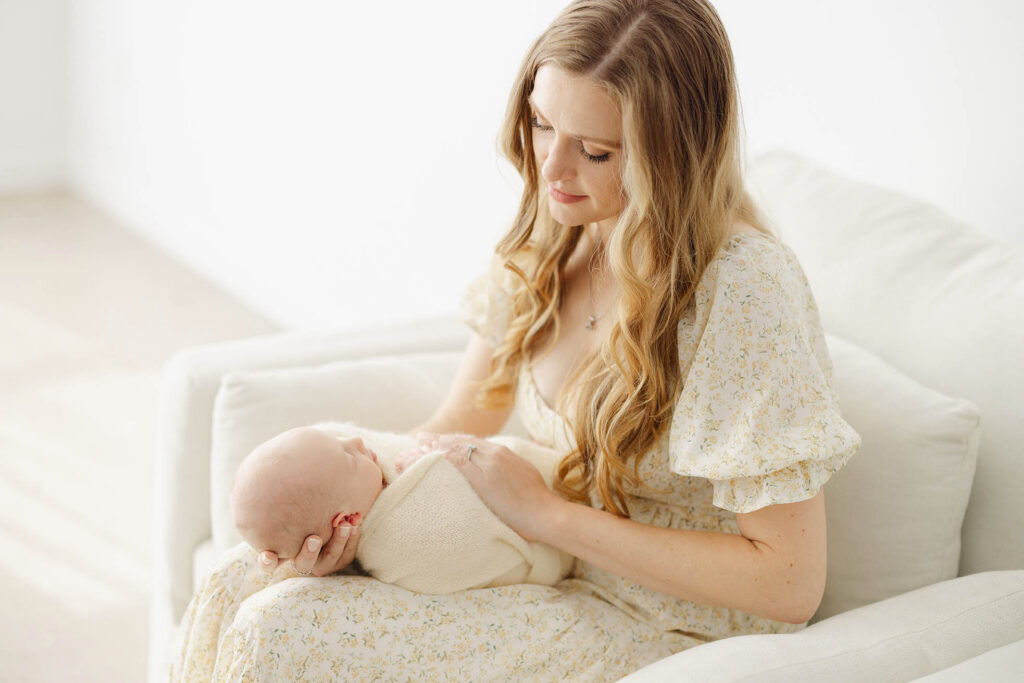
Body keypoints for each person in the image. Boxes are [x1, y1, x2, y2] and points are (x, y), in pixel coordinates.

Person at [170, 0, 861, 679]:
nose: (551, 169)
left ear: (673, 155)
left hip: (664, 621)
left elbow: (789, 582)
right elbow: (454, 427)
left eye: (594, 150)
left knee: (280, 631)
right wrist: (353, 518)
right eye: (540, 122)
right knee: (244, 579)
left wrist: (543, 513)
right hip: (539, 562)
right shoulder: (558, 228)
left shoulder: (740, 288)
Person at [230, 421, 574, 593]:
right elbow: (468, 544)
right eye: (349, 457)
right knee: (234, 575)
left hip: (543, 492)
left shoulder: (360, 484)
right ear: (348, 518)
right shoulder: (406, 539)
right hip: (542, 542)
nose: (356, 441)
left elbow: (331, 451)